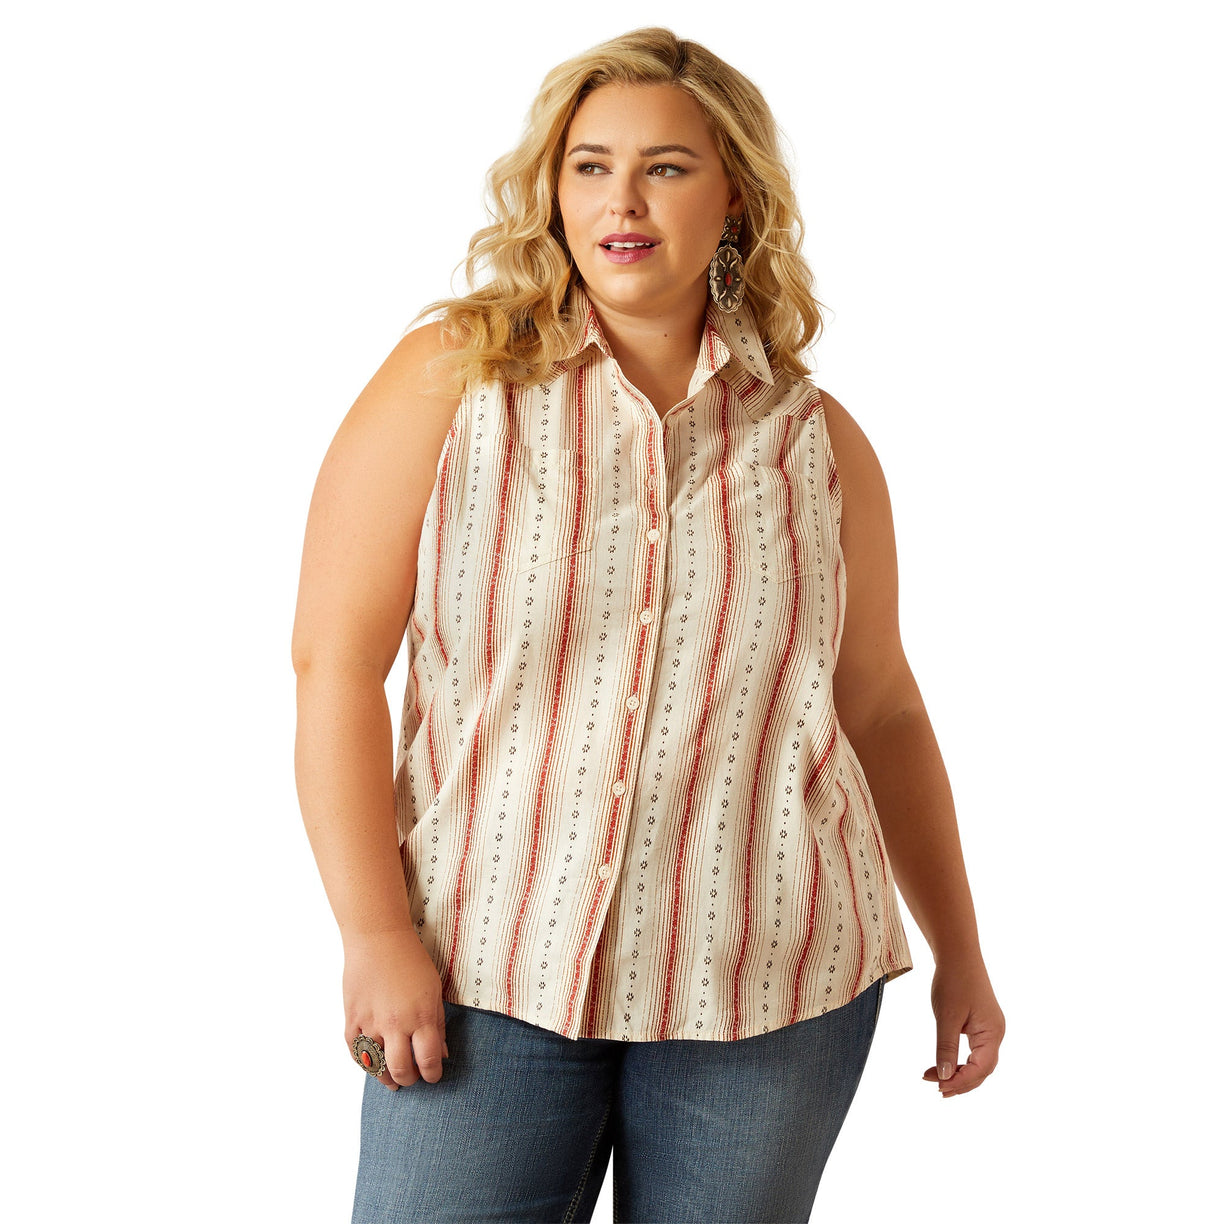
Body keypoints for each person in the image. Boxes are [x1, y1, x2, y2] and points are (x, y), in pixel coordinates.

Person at [292, 26, 1005, 1224]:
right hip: (482, 974)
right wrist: (371, 932)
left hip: (773, 990)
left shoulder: (818, 444)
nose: (622, 198)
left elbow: (880, 705)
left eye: (667, 167)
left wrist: (963, 955)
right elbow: (335, 665)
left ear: (733, 196)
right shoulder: (451, 383)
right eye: (589, 165)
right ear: (552, 189)